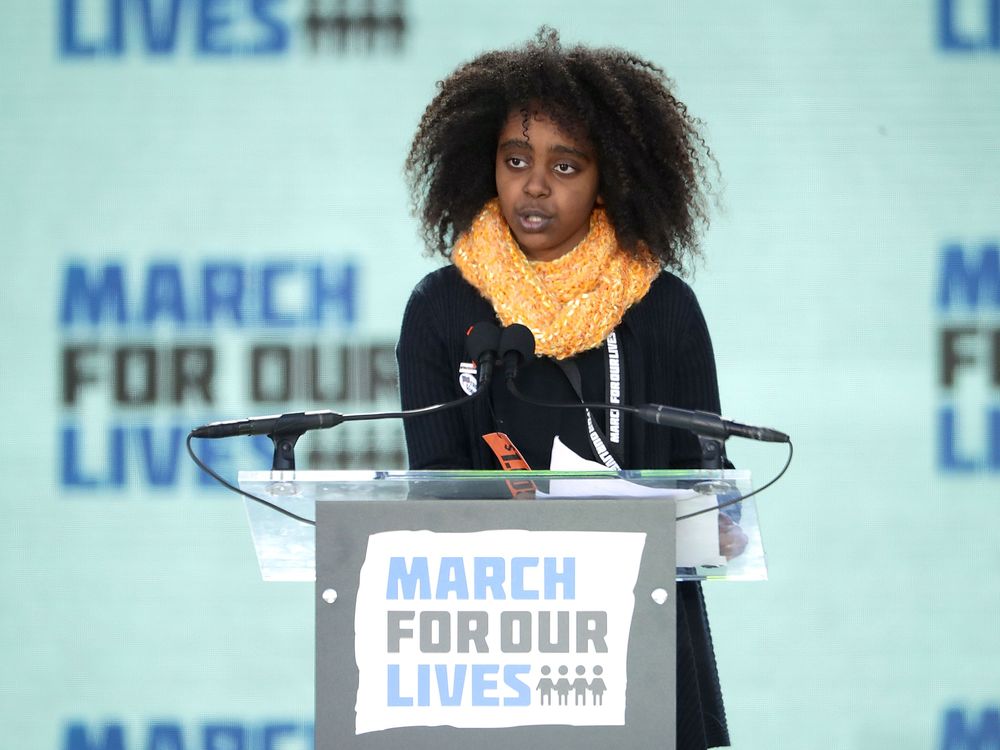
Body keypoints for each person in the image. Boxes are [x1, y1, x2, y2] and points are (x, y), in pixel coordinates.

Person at [396, 28, 730, 750]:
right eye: (515, 161)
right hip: (491, 644)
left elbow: (707, 482)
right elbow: (433, 490)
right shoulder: (442, 308)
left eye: (565, 165)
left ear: (609, 178)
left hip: (642, 638)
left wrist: (707, 510)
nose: (534, 185)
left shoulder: (664, 307)